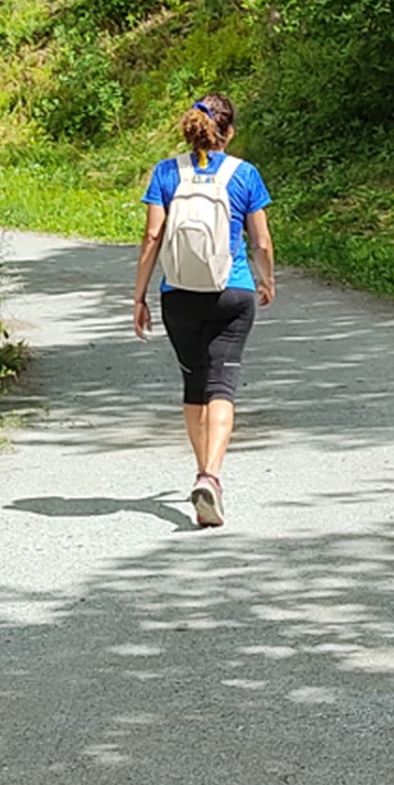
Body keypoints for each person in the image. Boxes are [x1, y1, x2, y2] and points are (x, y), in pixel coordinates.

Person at [132, 92, 274, 528]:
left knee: (195, 387)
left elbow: (152, 237)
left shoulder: (165, 172)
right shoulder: (244, 174)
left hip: (179, 294)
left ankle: (202, 477)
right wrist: (267, 279)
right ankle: (210, 476)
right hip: (232, 292)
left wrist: (138, 296)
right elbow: (261, 241)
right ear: (228, 132)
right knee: (222, 387)